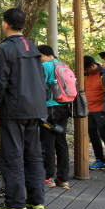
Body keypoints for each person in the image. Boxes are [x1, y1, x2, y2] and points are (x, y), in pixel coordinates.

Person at [0, 8, 47, 209]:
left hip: (14, 108)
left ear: (5, 24)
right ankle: (36, 199)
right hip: (36, 108)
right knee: (33, 155)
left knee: (12, 154)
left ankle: (15, 202)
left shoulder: (5, 48)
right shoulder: (31, 46)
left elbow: (0, 79)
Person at [37, 45, 71, 189]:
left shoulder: (45, 66)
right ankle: (63, 178)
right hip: (64, 107)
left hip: (50, 108)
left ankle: (48, 177)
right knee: (61, 141)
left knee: (47, 142)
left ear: (42, 54)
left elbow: (40, 87)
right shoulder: (63, 65)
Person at [84, 55, 105, 170]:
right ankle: (100, 160)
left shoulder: (104, 73)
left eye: (87, 69)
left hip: (101, 109)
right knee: (93, 136)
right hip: (88, 109)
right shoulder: (85, 75)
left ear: (93, 65)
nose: (85, 71)